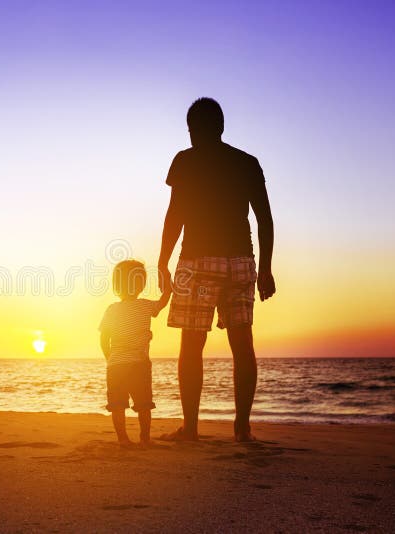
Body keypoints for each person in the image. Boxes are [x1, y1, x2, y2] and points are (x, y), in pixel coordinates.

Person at [157, 97, 276, 443]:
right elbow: (264, 219)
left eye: (193, 130)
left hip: (197, 260)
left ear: (195, 129)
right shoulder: (246, 162)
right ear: (221, 127)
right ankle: (242, 429)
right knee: (243, 344)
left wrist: (163, 261)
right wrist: (265, 268)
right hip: (241, 261)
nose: (193, 136)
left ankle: (191, 429)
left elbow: (174, 214)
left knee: (191, 345)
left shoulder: (185, 161)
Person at [99, 260, 171, 447]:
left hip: (115, 366)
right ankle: (145, 439)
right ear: (141, 284)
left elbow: (103, 339)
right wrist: (168, 288)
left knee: (117, 405)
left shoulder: (112, 309)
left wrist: (110, 358)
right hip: (139, 363)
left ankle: (123, 439)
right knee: (144, 404)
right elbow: (162, 303)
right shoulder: (145, 306)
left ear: (117, 284)